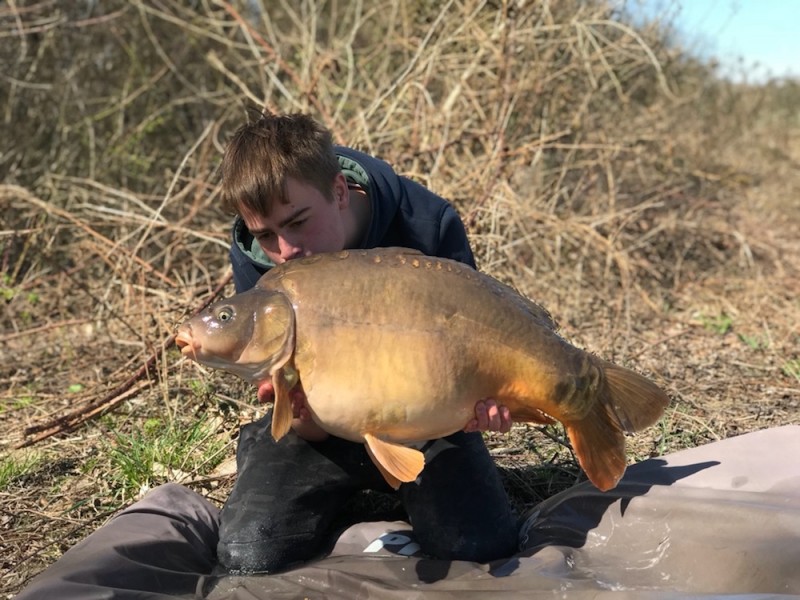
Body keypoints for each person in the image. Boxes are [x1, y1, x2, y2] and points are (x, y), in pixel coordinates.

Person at [15, 111, 518, 599]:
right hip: (322, 431)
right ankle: (316, 487)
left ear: (340, 191)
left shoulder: (427, 224)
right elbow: (285, 392)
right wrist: (300, 415)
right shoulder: (262, 261)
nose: (285, 250)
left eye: (298, 222)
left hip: (429, 426)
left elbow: (478, 353)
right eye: (265, 235)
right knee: (248, 552)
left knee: (479, 548)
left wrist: (487, 404)